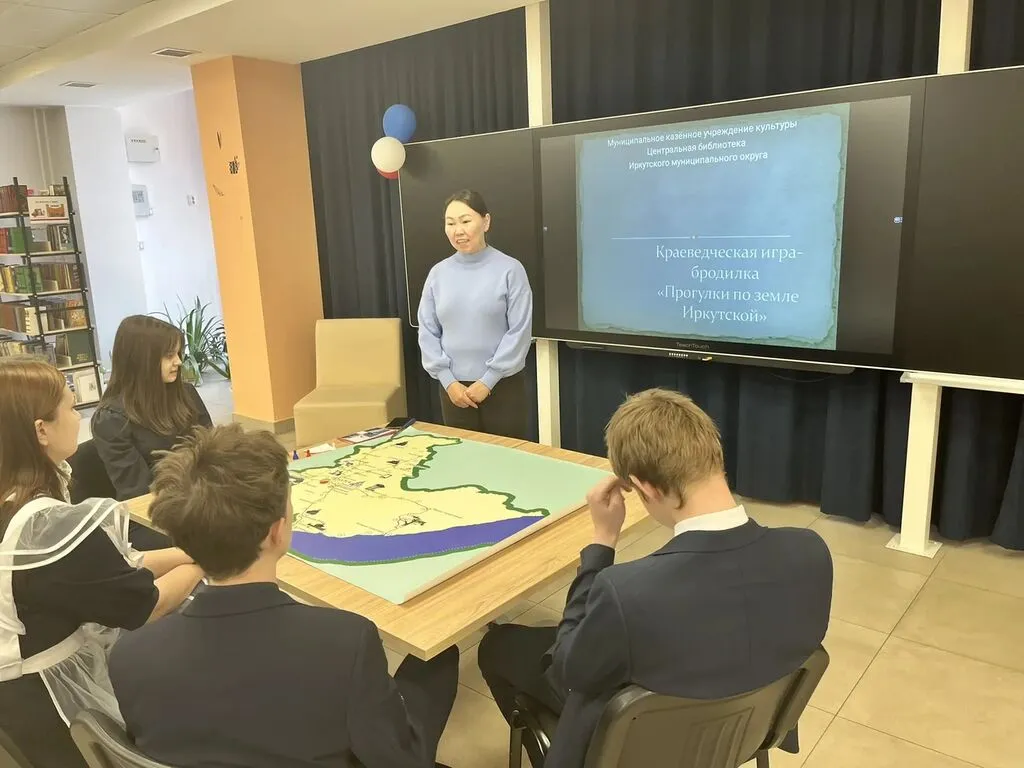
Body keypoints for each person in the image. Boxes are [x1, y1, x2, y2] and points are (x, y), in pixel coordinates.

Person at [476, 388, 833, 768]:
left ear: (644, 487)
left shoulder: (627, 593)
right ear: (714, 455)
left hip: (632, 751)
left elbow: (565, 669)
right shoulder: (810, 552)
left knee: (499, 646)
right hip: (746, 736)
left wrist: (602, 542)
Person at [109, 424, 461, 768]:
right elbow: (399, 758)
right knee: (439, 661)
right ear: (277, 532)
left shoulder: (129, 656)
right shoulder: (346, 644)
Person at [0, 357, 204, 768]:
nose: (79, 417)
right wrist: (209, 558)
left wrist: (187, 553)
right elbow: (144, 604)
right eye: (70, 407)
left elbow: (113, 567)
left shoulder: (14, 499)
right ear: (41, 430)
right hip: (43, 704)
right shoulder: (48, 526)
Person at [418, 189, 533, 439]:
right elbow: (427, 330)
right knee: (463, 458)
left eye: (465, 221)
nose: (457, 230)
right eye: (450, 223)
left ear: (486, 222)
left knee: (505, 458)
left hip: (503, 386)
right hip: (454, 391)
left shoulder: (510, 270)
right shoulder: (438, 274)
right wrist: (448, 381)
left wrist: (487, 381)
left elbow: (519, 331)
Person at [92, 314, 213, 502]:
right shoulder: (111, 419)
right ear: (141, 360)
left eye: (178, 353)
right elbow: (139, 491)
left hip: (204, 495)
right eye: (169, 355)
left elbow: (213, 449)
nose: (178, 362)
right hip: (161, 506)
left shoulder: (186, 393)